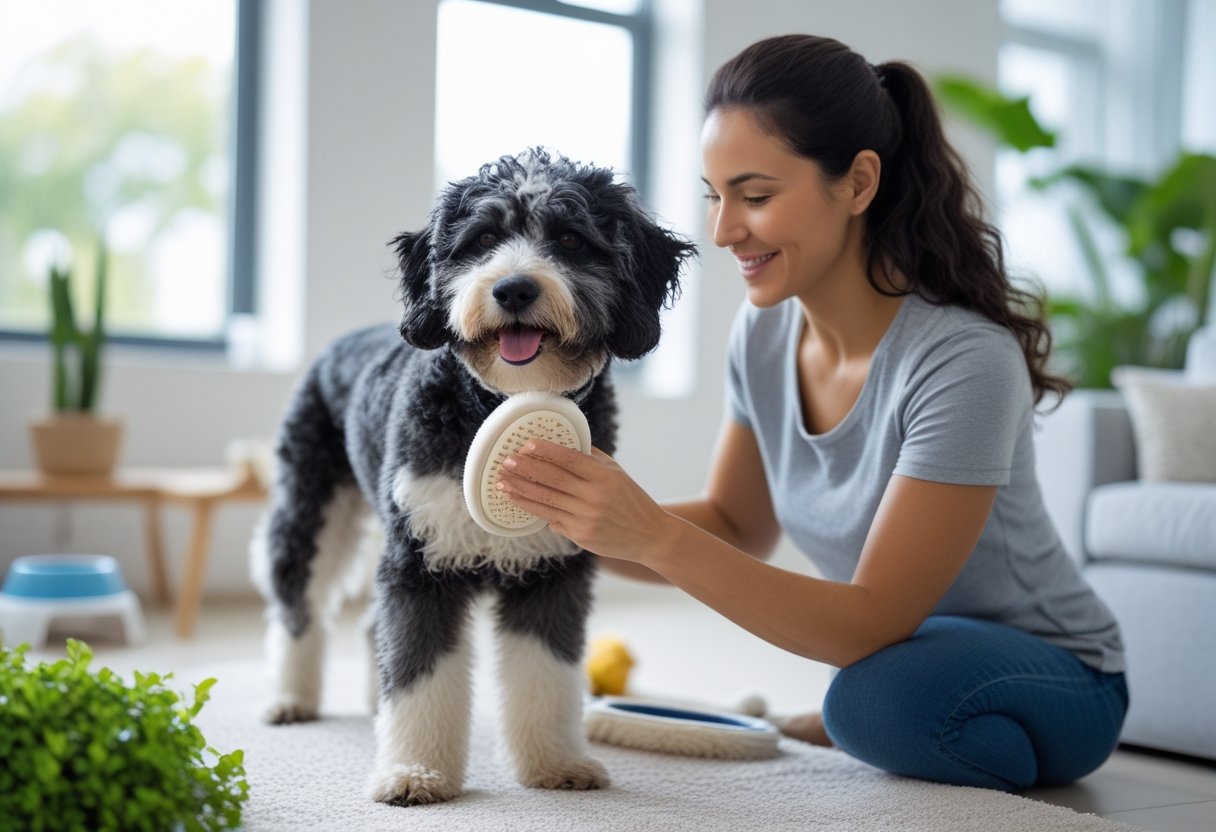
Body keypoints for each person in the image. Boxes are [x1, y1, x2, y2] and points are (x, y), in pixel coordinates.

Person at [496, 33, 1128, 792]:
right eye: (715, 195)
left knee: (871, 704)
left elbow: (871, 619)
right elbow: (736, 523)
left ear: (859, 183)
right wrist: (555, 521)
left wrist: (653, 534)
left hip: (1059, 670)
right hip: (910, 647)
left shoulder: (964, 362)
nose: (724, 230)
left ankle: (920, 714)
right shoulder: (764, 333)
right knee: (875, 693)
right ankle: (909, 701)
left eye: (755, 196)